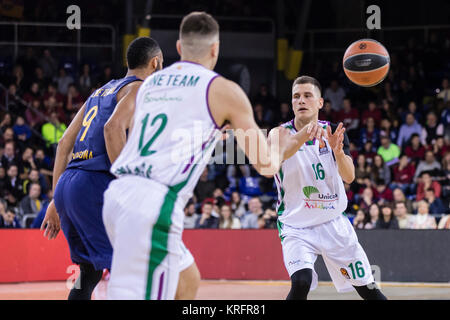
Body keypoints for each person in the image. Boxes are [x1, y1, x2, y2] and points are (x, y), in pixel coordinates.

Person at [101, 12, 308, 300]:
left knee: (187, 280)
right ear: (215, 49)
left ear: (178, 48)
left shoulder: (151, 84)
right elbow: (266, 165)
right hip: (153, 204)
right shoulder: (223, 90)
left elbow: (125, 130)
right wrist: (286, 145)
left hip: (117, 195)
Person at [40, 37, 164, 300]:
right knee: (133, 267)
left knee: (88, 273)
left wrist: (55, 200)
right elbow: (112, 128)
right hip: (94, 185)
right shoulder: (140, 89)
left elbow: (63, 144)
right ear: (155, 63)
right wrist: (129, 184)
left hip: (68, 185)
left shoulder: (100, 91)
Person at [273, 75, 386, 300]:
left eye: (307, 96)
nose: (301, 101)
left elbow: (350, 176)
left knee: (370, 291)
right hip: (297, 226)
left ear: (320, 102)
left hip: (333, 223)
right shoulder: (279, 134)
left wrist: (338, 152)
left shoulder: (333, 131)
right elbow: (273, 159)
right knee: (301, 282)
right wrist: (304, 134)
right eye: (296, 96)